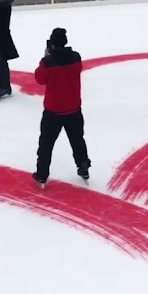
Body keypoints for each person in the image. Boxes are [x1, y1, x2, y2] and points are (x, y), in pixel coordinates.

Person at [31, 28, 90, 188]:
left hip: (53, 110)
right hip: (74, 108)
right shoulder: (76, 58)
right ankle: (83, 166)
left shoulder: (48, 63)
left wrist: (46, 57)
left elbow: (39, 79)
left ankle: (42, 175)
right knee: (77, 140)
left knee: (46, 143)